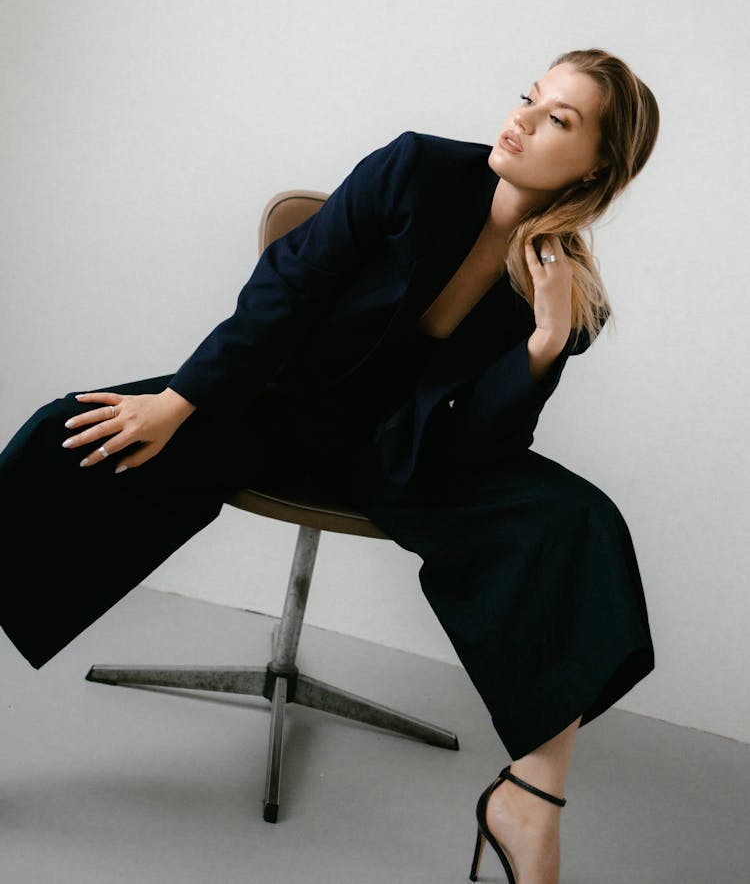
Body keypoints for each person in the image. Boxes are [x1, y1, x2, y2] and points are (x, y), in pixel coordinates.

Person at [0, 47, 658, 884]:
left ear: (601, 162)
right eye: (529, 97)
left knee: (579, 521)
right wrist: (178, 400)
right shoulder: (416, 167)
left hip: (402, 461)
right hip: (277, 411)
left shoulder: (568, 295)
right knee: (70, 434)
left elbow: (484, 448)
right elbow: (289, 286)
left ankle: (529, 800)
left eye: (557, 119)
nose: (521, 120)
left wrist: (542, 346)